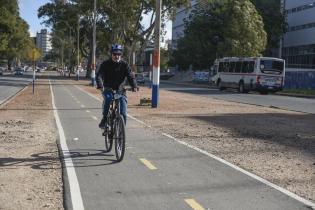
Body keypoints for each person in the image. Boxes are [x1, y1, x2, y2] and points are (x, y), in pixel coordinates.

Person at [96, 44, 138, 129]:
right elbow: (99, 75)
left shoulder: (124, 65)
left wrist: (134, 85)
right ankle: (104, 119)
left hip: (121, 91)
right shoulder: (105, 64)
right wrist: (100, 85)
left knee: (124, 113)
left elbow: (130, 76)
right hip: (108, 89)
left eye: (119, 54)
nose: (117, 56)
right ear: (111, 54)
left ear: (121, 55)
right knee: (108, 99)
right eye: (114, 54)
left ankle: (121, 132)